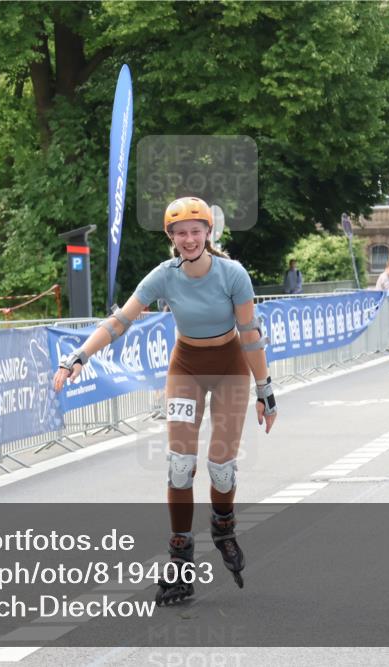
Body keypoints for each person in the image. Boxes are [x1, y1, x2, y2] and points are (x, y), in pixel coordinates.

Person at [52, 196, 277, 606]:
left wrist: (264, 389)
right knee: (179, 464)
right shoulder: (164, 276)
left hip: (228, 366)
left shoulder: (233, 274)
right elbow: (120, 320)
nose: (189, 239)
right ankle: (180, 558)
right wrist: (78, 357)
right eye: (181, 233)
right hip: (186, 367)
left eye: (196, 231)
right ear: (171, 238)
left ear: (209, 233)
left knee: (221, 468)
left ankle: (223, 528)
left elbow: (249, 333)